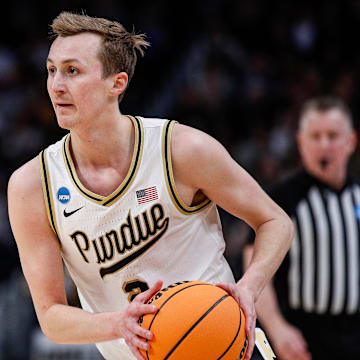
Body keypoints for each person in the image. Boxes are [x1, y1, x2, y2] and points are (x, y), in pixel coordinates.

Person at [7, 12, 292, 360]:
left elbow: (275, 221)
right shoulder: (31, 186)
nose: (56, 85)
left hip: (227, 346)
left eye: (73, 71)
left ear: (117, 83)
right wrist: (117, 324)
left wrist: (250, 287)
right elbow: (51, 316)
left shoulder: (182, 149)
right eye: (51, 70)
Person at [244, 96, 360, 360]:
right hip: (303, 335)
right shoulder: (281, 200)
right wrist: (277, 328)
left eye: (332, 136)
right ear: (301, 142)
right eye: (315, 136)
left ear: (350, 141)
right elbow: (254, 266)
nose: (324, 145)